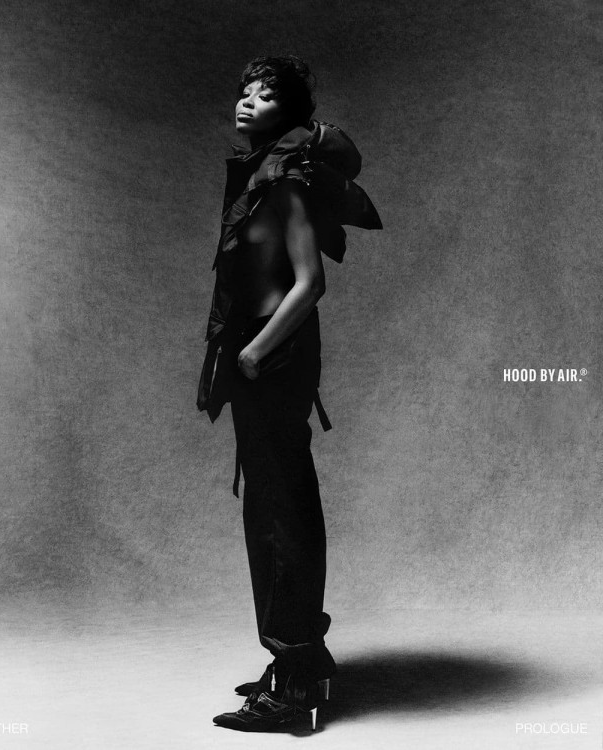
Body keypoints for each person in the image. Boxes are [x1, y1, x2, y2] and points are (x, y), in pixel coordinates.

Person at [197, 56, 381, 731]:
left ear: (293, 112)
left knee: (279, 513)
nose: (247, 100)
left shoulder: (284, 178)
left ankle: (297, 681)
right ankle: (303, 661)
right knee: (279, 504)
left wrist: (254, 352)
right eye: (243, 91)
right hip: (265, 357)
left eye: (265, 94)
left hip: (272, 358)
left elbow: (309, 283)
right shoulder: (264, 173)